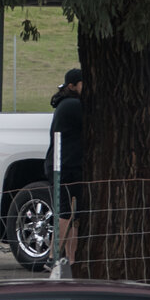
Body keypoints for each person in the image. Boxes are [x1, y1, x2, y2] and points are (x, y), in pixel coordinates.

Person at [48, 68, 85, 262]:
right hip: (65, 167)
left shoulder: (66, 103)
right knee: (65, 215)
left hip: (67, 165)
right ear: (72, 86)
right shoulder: (73, 105)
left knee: (74, 217)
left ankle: (71, 259)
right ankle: (54, 256)